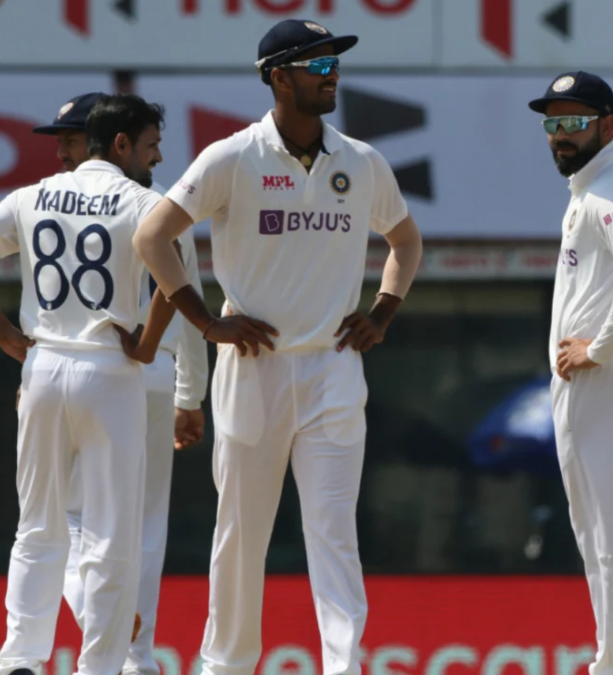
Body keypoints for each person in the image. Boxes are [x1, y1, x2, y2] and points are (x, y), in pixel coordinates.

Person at [132, 19, 423, 675]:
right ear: (278, 77)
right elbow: (153, 238)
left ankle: (343, 666)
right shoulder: (232, 157)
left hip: (334, 366)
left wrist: (383, 310)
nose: (333, 76)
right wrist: (205, 322)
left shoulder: (362, 161)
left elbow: (406, 241)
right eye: (318, 66)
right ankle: (226, 664)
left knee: (334, 533)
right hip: (252, 366)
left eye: (334, 65)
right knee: (240, 530)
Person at [0, 94, 176, 675]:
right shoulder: (145, 202)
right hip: (109, 370)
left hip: (42, 368)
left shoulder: (31, 194)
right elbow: (175, 282)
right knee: (113, 535)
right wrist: (145, 346)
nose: (157, 155)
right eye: (148, 143)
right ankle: (100, 665)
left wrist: (0, 328)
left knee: (38, 524)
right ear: (120, 144)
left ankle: (20, 658)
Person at [32, 90, 210, 675]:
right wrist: (189, 394)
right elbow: (188, 299)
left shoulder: (52, 205)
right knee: (141, 522)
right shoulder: (159, 205)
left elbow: (47, 307)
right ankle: (135, 655)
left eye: (68, 142)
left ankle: (102, 622)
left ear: (103, 142)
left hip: (95, 372)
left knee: (63, 518)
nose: (61, 153)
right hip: (149, 374)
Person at [528, 71, 613, 675]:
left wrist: (598, 349)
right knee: (601, 534)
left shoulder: (608, 188)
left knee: (604, 535)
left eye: (575, 122)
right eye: (553, 123)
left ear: (607, 125)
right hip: (607, 370)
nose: (561, 135)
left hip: (599, 375)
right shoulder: (597, 187)